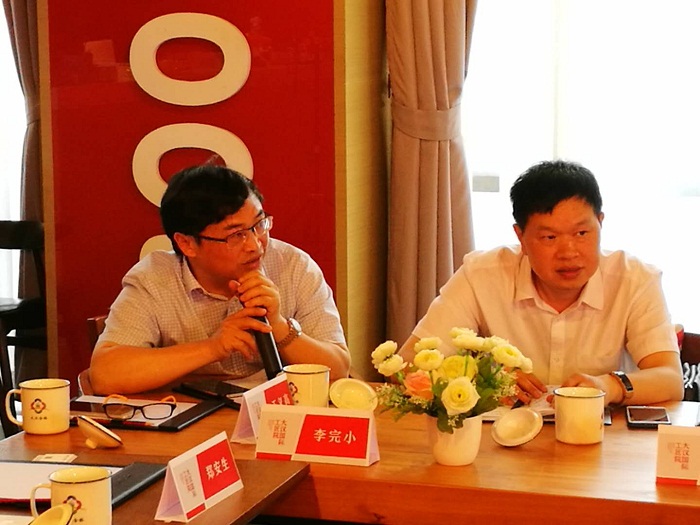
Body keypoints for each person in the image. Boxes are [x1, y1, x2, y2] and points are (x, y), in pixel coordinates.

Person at [399, 160, 683, 407]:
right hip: (504, 437)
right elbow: (409, 364)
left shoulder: (634, 279)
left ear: (600, 223)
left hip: (601, 435)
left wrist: (608, 386)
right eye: (550, 237)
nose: (569, 252)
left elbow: (670, 380)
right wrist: (484, 379)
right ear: (521, 237)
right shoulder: (481, 275)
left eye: (582, 233)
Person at [90, 164, 350, 394]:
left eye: (259, 225)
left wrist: (279, 326)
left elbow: (338, 369)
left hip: (277, 415)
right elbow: (105, 375)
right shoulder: (155, 279)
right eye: (236, 235)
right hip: (191, 420)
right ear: (186, 243)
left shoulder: (292, 266)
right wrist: (213, 348)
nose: (255, 245)